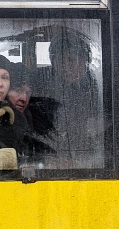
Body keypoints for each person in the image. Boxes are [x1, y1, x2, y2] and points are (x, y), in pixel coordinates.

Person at [33, 30, 102, 169]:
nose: (65, 66)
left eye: (71, 59)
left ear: (85, 60)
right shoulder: (40, 85)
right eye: (59, 60)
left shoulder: (98, 86)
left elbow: (99, 123)